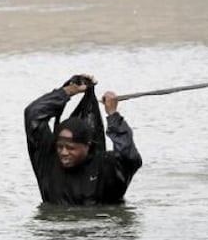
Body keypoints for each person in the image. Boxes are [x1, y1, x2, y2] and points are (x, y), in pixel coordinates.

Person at [23, 74, 142, 205]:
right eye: (60, 146)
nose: (63, 152)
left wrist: (113, 115)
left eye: (71, 148)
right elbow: (33, 114)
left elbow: (129, 157)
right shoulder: (48, 161)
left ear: (88, 145)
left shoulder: (107, 167)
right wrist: (67, 91)